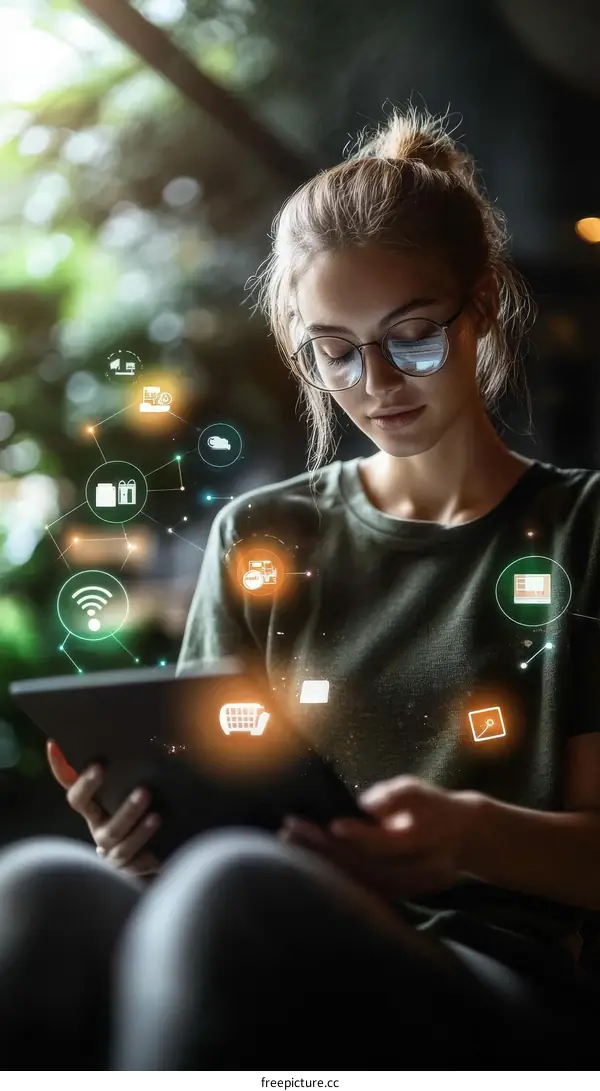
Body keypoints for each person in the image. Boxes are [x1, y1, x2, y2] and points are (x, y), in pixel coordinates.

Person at [4, 103, 600, 1070]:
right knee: (40, 885)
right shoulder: (264, 534)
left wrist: (470, 837)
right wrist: (144, 837)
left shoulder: (585, 529)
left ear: (482, 303)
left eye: (411, 336)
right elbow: (211, 802)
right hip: (254, 914)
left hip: (504, 975)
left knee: (236, 892)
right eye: (336, 349)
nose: (376, 384)